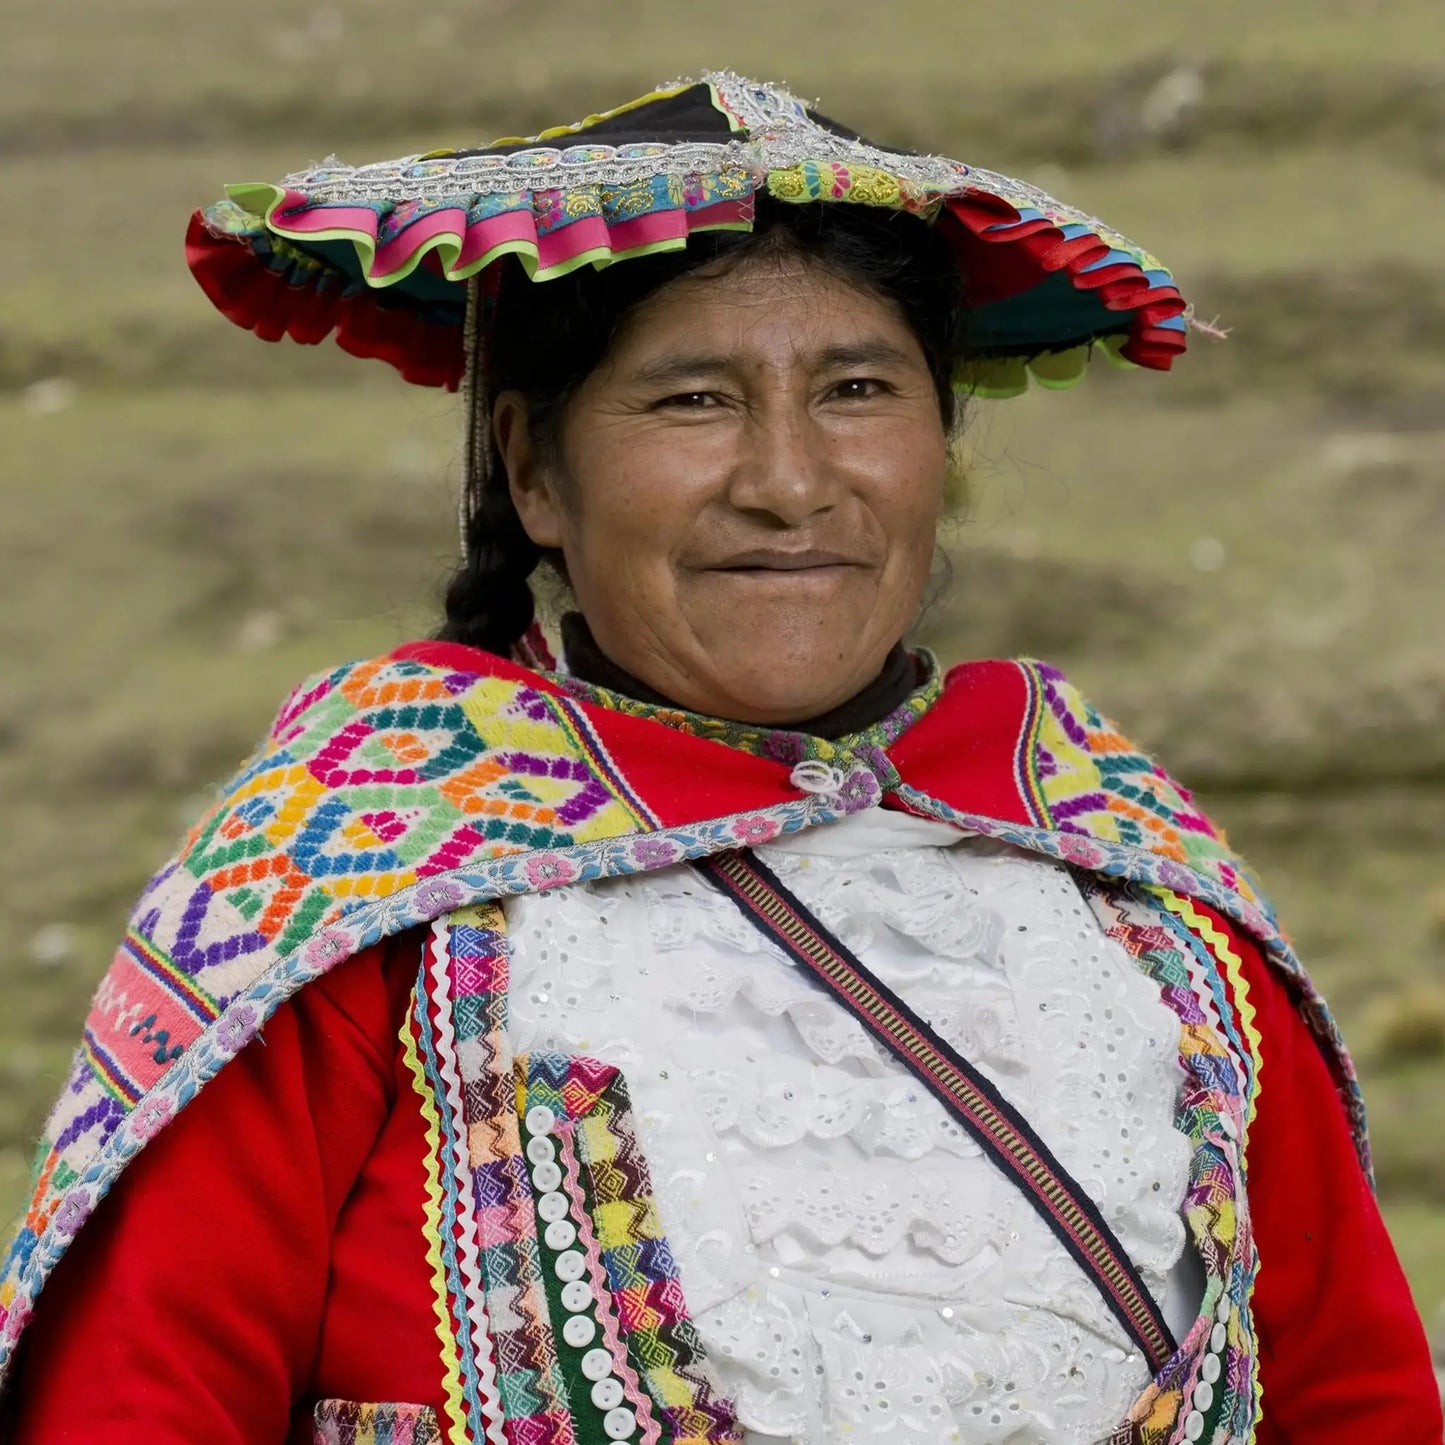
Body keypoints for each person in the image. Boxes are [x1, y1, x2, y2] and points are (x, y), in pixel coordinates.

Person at [0, 73, 1437, 1445]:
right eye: (692, 399)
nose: (789, 481)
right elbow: (137, 1391)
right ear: (536, 470)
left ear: (941, 444)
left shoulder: (1132, 890)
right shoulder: (355, 887)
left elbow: (1353, 1389)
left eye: (858, 390)